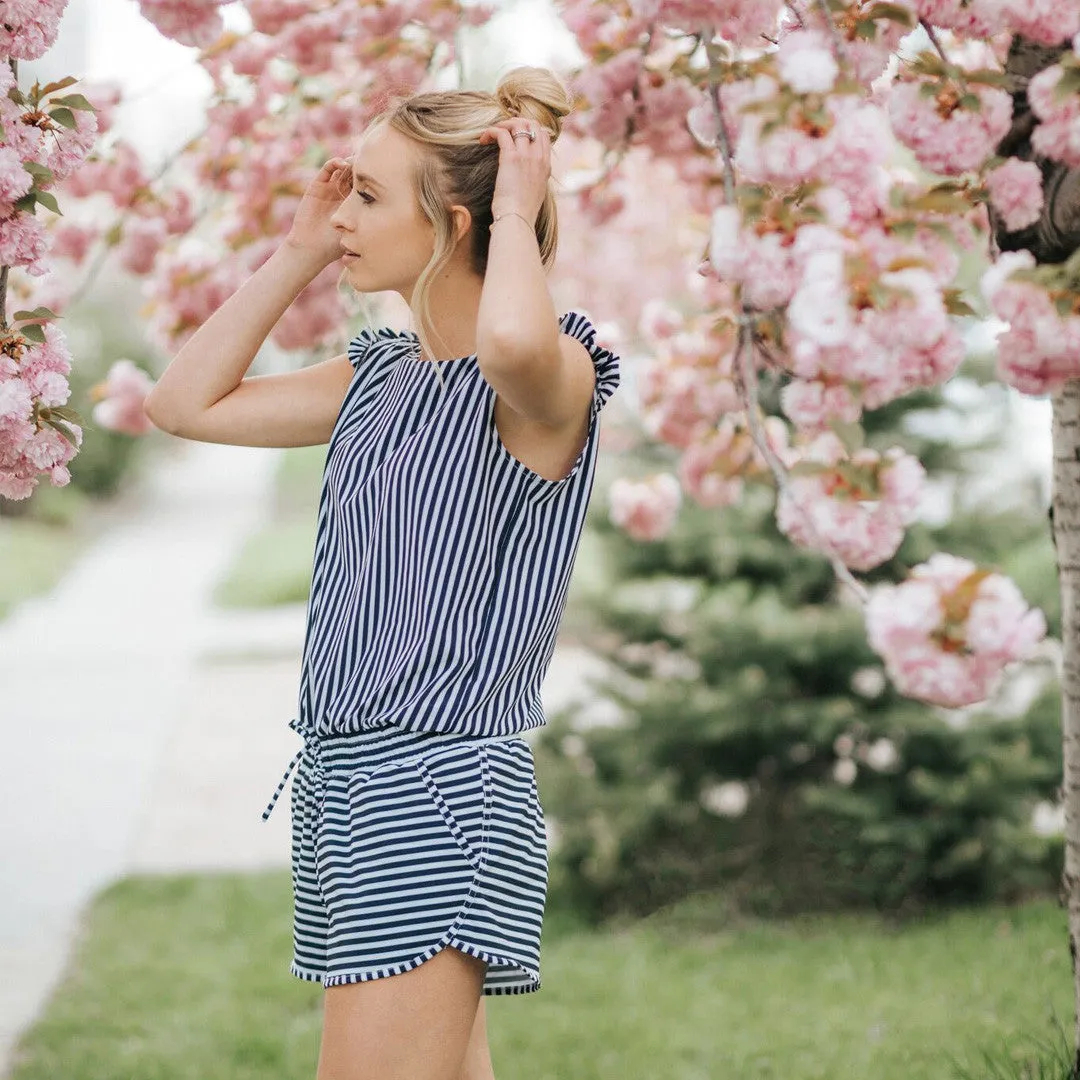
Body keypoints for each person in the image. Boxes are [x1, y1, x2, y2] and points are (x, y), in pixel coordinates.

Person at [143, 64, 621, 1080]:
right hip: (345, 784)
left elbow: (509, 337)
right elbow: (183, 404)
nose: (344, 213)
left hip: (438, 787)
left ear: (452, 222)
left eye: (366, 195)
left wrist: (517, 214)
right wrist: (297, 251)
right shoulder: (379, 378)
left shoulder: (547, 379)